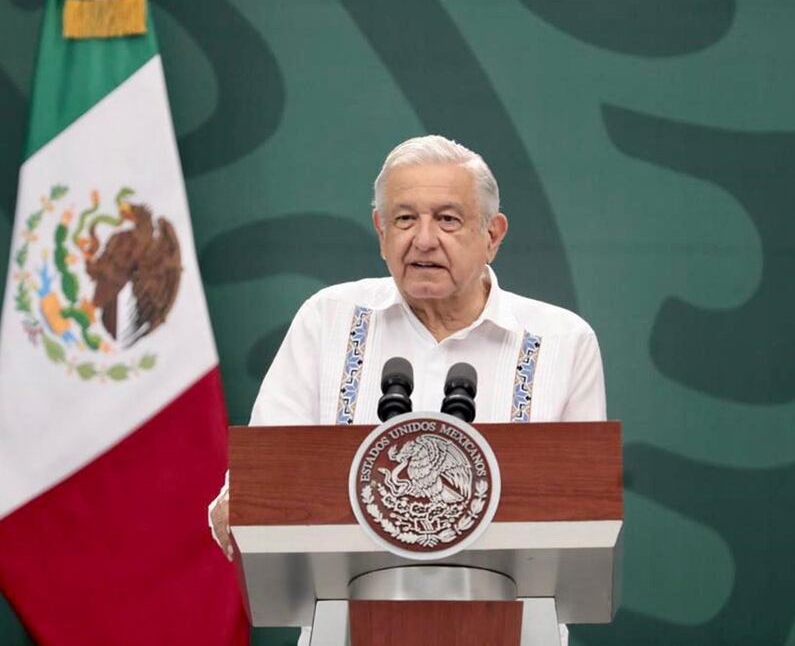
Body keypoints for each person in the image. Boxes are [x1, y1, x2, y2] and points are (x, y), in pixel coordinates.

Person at [209, 135, 606, 643]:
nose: (423, 239)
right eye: (403, 219)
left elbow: (584, 511)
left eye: (447, 219)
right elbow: (266, 472)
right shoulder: (327, 319)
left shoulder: (562, 341)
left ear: (493, 233)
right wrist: (239, 498)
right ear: (379, 230)